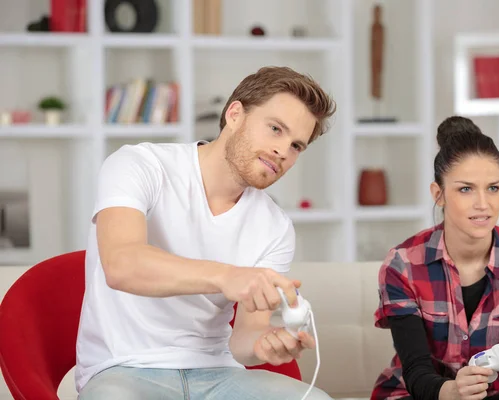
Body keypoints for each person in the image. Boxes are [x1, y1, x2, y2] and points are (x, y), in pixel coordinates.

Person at [75, 66, 336, 400]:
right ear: (235, 114)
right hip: (123, 369)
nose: (283, 151)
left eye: (296, 145)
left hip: (218, 374)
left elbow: (243, 343)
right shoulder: (139, 165)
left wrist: (263, 345)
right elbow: (122, 264)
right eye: (275, 129)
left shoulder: (275, 227)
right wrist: (227, 277)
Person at [371, 116, 499, 400]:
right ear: (439, 194)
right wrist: (454, 390)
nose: (483, 204)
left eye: (493, 187)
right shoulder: (402, 265)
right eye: (465, 189)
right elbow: (416, 372)